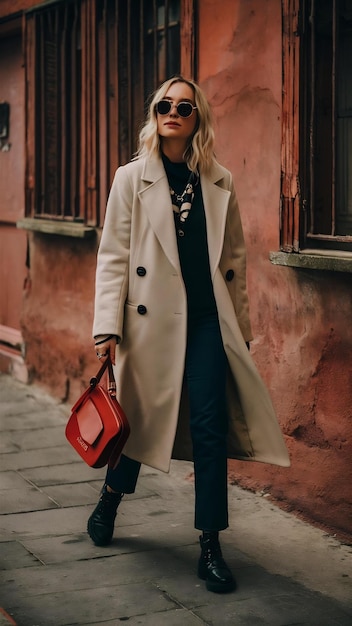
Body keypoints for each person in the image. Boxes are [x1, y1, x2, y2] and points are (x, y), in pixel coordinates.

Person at [88, 76, 290, 593]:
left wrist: (238, 331)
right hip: (148, 321)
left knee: (208, 427)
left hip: (206, 323)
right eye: (164, 104)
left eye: (184, 106)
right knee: (139, 422)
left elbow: (235, 262)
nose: (172, 112)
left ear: (197, 118)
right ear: (154, 112)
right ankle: (111, 497)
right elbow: (112, 257)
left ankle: (210, 546)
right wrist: (107, 327)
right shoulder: (130, 178)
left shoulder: (218, 180)